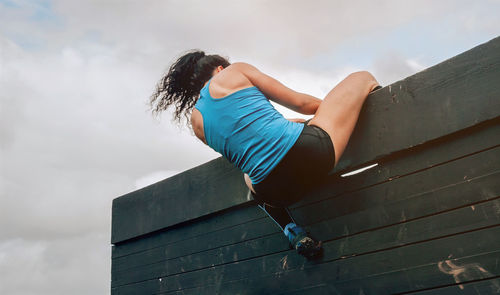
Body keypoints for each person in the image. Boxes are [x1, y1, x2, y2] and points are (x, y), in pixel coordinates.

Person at [150, 50, 381, 259]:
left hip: (275, 192)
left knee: (247, 176)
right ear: (220, 69)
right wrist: (338, 108)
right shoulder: (234, 71)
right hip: (310, 155)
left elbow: (251, 145)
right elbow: (302, 103)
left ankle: (291, 230)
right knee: (362, 78)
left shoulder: (196, 121)